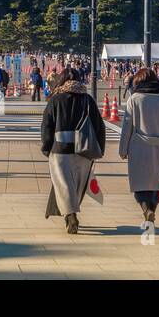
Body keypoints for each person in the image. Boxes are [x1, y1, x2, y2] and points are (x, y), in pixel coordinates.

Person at [40, 68, 106, 234]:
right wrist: (99, 149)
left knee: (63, 185)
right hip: (84, 150)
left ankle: (70, 215)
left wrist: (46, 147)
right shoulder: (87, 99)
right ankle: (71, 213)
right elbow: (99, 126)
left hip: (60, 148)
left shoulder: (56, 99)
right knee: (77, 185)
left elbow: (47, 126)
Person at [117, 67, 159, 223]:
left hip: (138, 146)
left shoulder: (135, 99)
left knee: (140, 181)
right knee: (156, 180)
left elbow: (127, 127)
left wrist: (123, 149)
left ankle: (145, 208)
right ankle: (152, 209)